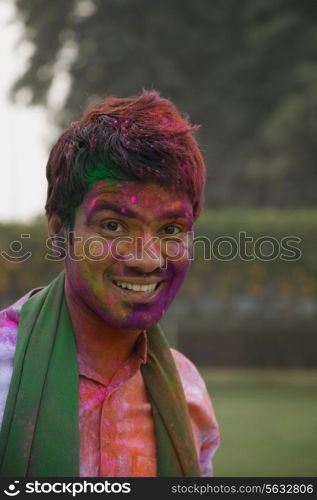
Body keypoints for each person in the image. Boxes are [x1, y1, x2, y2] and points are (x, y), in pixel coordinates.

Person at [0, 90, 219, 477]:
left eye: (171, 229)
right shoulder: (5, 373)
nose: (148, 258)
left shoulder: (189, 394)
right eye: (114, 226)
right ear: (58, 231)